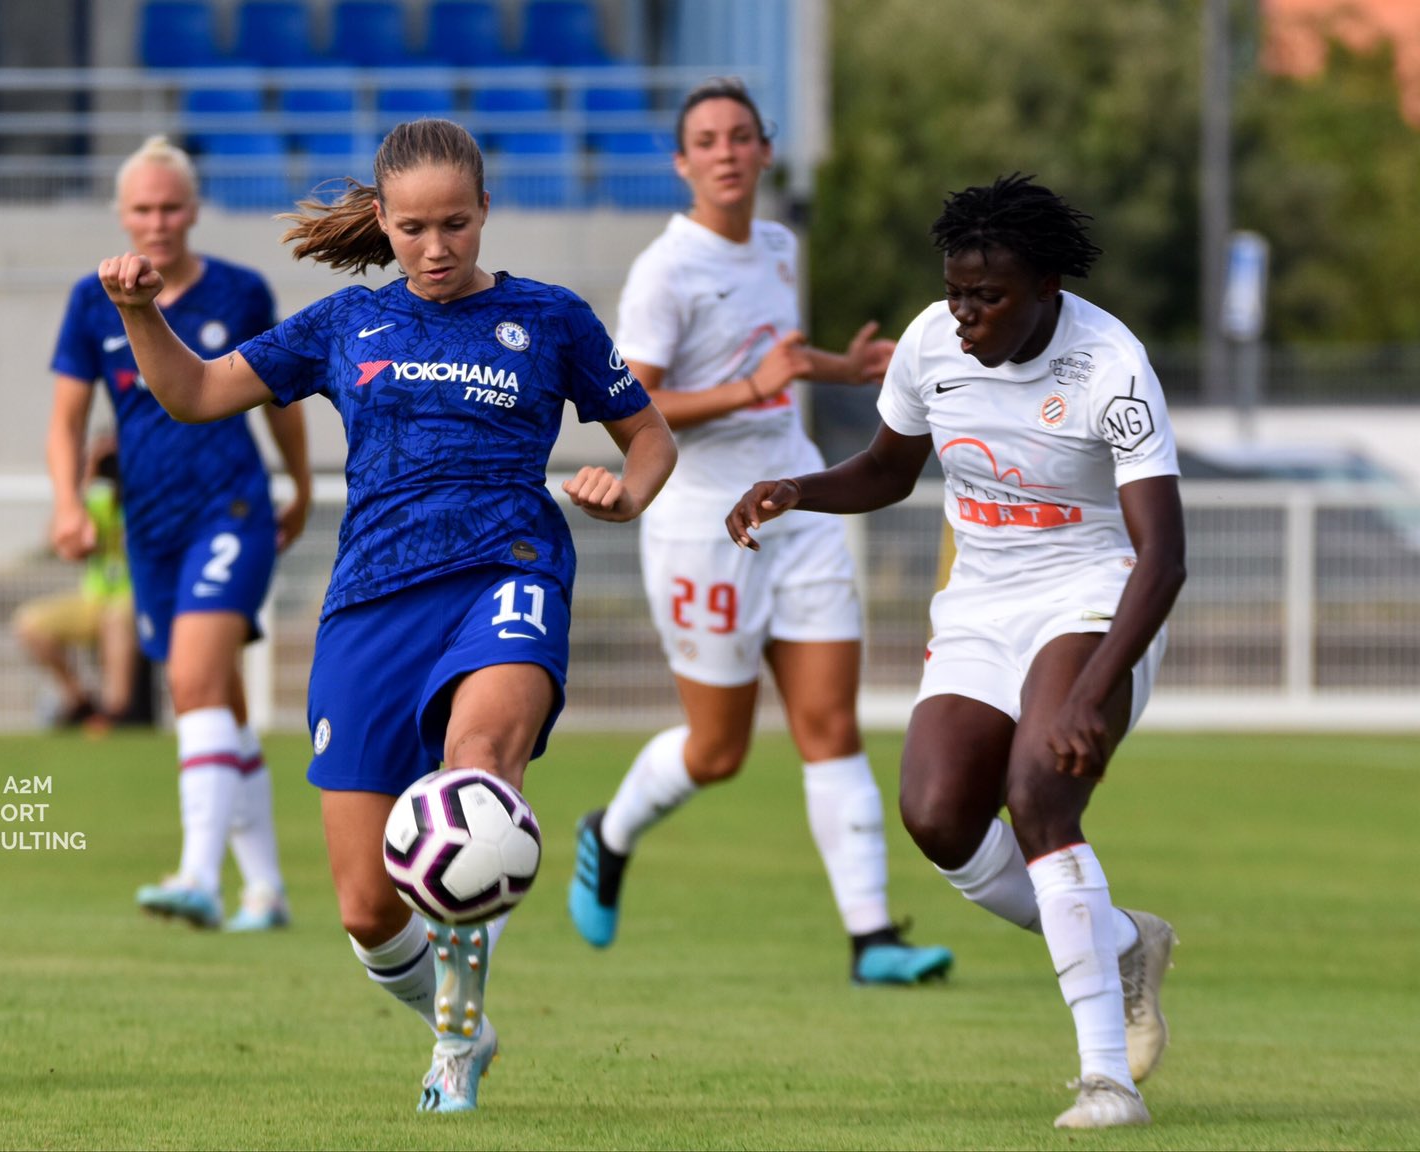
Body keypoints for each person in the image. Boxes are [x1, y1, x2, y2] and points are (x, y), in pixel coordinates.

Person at [97, 118, 675, 1113]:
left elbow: (649, 439)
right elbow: (191, 393)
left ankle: (455, 1031)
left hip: (509, 569)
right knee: (366, 909)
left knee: (477, 782)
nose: (435, 246)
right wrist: (141, 316)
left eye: (455, 222)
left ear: (485, 211)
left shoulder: (552, 319)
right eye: (412, 227)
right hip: (370, 600)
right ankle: (458, 1017)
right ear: (381, 219)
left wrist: (628, 491)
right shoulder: (342, 326)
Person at [727, 173, 1183, 1130]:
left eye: (990, 296)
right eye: (956, 292)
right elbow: (890, 473)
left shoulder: (1111, 363)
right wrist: (796, 490)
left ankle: (1108, 1080)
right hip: (982, 602)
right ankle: (1122, 941)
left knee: (1041, 794)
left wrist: (1090, 694)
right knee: (936, 815)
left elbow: (1164, 557)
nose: (965, 315)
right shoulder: (932, 343)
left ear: (1047, 286)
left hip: (1093, 595)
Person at [567, 77, 955, 985]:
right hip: (704, 523)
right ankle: (609, 832)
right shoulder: (667, 271)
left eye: (743, 136)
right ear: (682, 163)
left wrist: (837, 367)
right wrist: (751, 389)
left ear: (766, 151)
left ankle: (873, 941)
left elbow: (770, 358)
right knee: (719, 750)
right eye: (708, 140)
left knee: (830, 726)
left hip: (796, 502)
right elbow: (635, 405)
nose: (728, 152)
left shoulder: (778, 246)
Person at [47, 136, 312, 933]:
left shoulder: (241, 291)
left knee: (193, 683)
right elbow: (65, 420)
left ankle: (198, 874)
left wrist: (297, 483)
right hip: (150, 525)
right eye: (142, 208)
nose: (157, 221)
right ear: (121, 214)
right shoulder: (92, 301)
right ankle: (265, 890)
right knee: (219, 702)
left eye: (170, 206)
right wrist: (67, 502)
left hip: (230, 504)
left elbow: (280, 397)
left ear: (192, 211)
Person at [13, 434, 139, 732]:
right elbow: (59, 538)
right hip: (94, 598)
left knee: (117, 618)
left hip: (137, 598)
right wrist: (89, 472)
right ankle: (79, 700)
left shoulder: (148, 498)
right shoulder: (95, 499)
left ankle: (114, 712)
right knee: (30, 623)